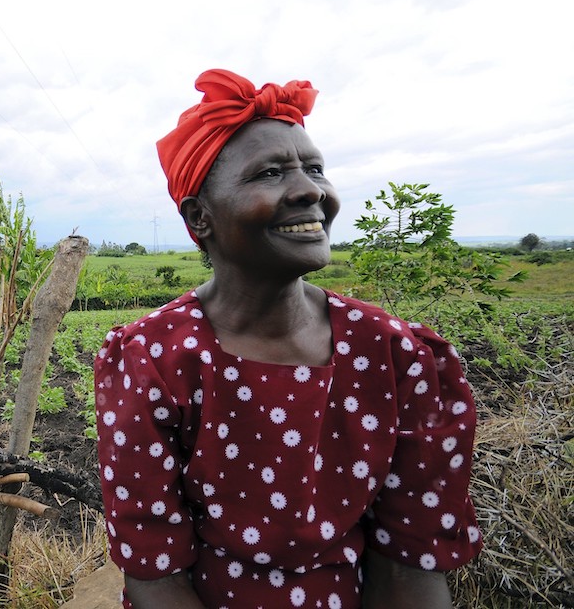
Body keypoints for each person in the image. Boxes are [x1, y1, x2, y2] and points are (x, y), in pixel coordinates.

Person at [94, 69, 482, 609]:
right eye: (271, 172)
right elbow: (155, 574)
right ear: (199, 217)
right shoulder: (152, 360)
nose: (310, 190)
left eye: (315, 169)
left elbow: (408, 564)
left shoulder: (395, 354)